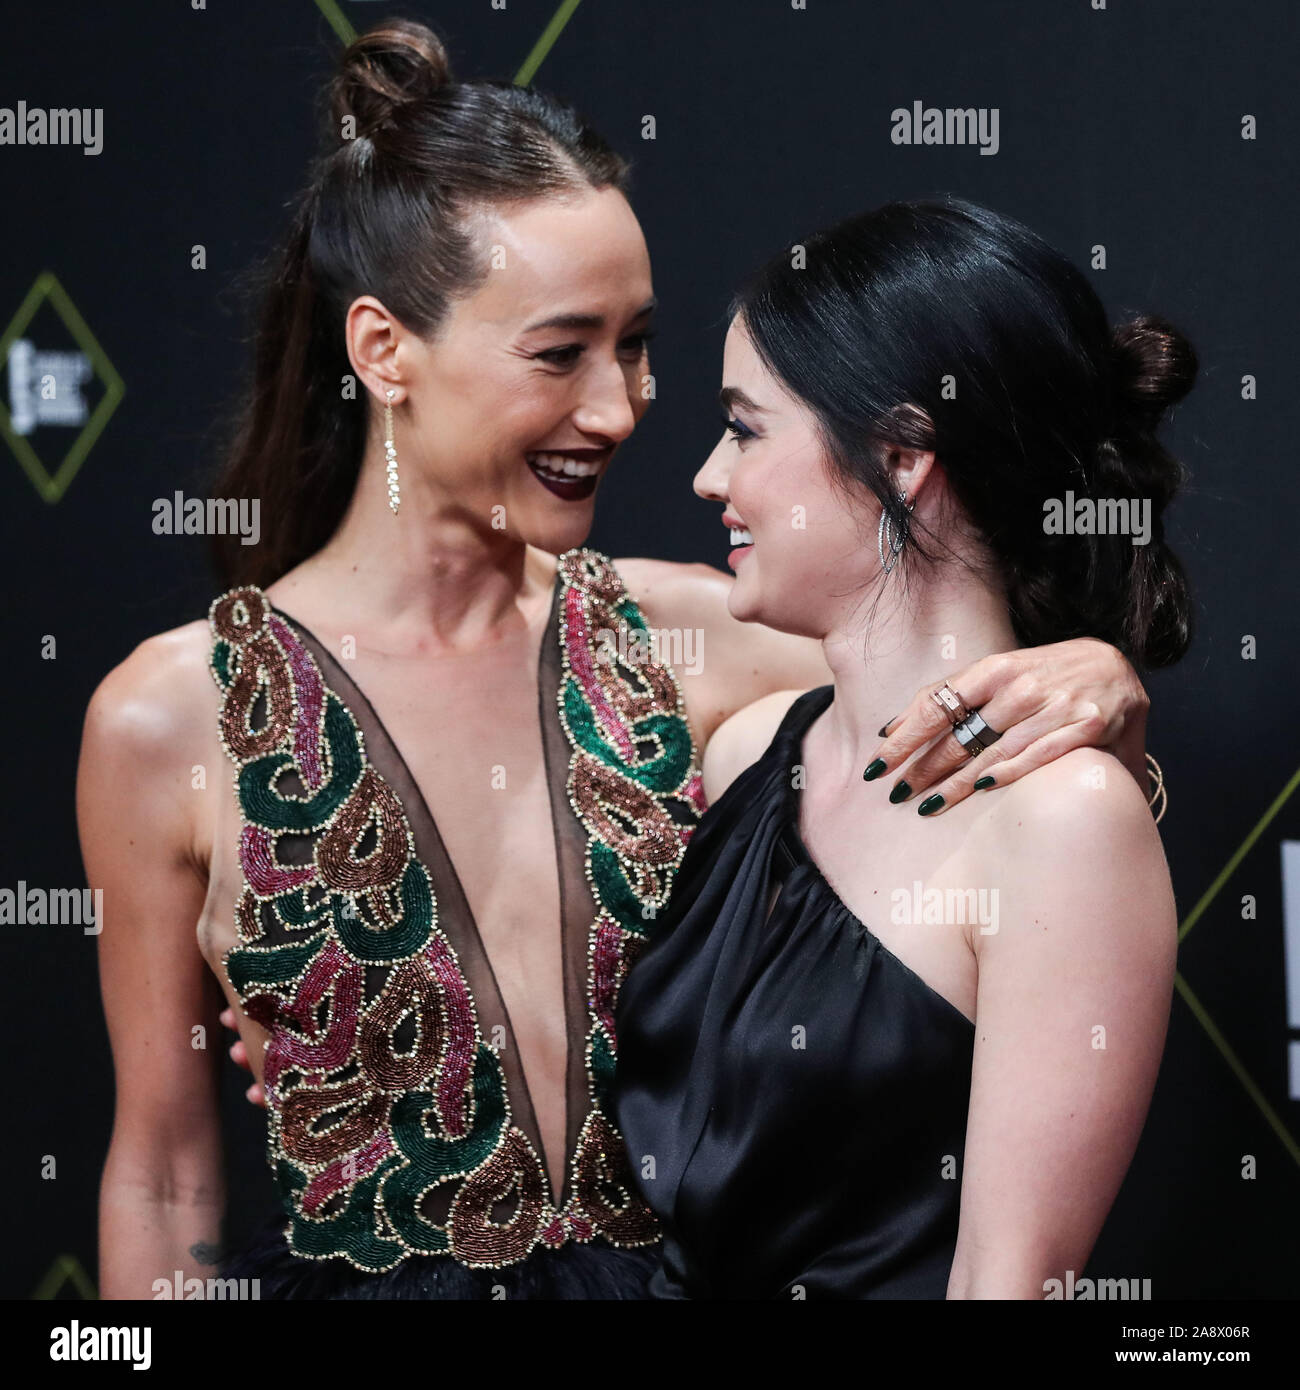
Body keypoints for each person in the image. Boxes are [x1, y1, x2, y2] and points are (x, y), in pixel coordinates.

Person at [78, 22, 1152, 1300]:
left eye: (636, 344)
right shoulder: (168, 717)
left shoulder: (709, 642)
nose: (622, 406)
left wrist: (1107, 690)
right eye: (560, 351)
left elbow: (1007, 828)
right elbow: (161, 1172)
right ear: (382, 351)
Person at [613, 196, 1191, 1300]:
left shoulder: (1063, 822)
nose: (706, 477)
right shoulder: (744, 757)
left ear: (900, 453)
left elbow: (1006, 1285)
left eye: (743, 428)